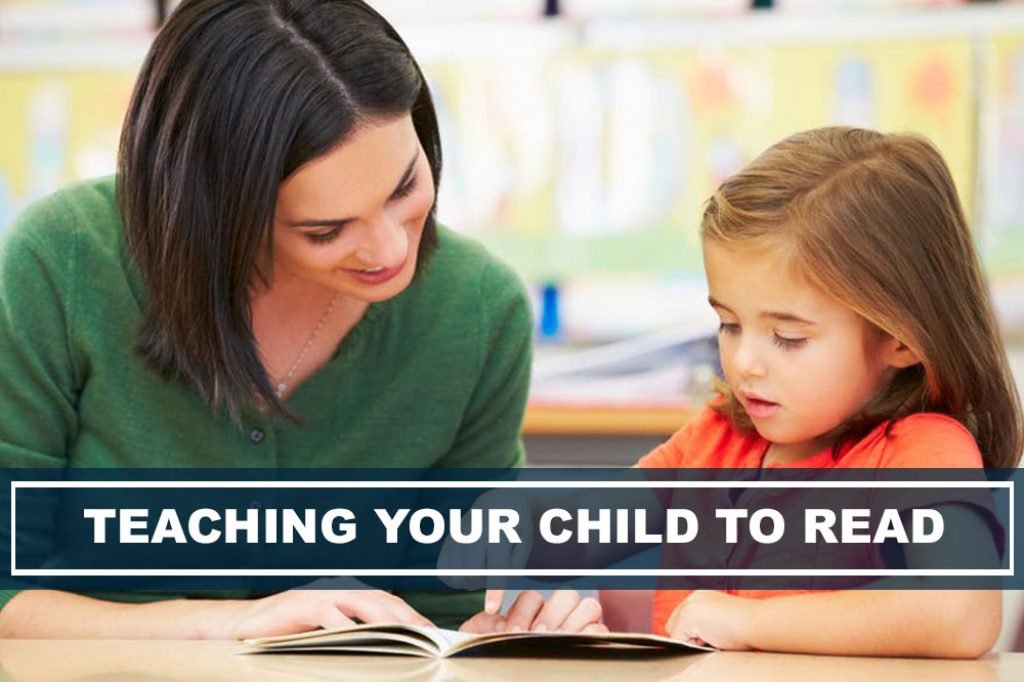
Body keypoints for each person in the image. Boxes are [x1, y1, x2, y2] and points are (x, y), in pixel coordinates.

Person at [0, 0, 601, 638]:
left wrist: (500, 639)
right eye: (325, 229)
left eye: (404, 188)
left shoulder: (477, 310)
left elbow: (437, 614)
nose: (391, 250)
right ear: (220, 214)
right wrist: (235, 624)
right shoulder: (61, 261)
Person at [635, 126, 1022, 657]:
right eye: (728, 324)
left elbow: (961, 611)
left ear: (899, 339)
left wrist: (747, 622)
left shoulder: (919, 452)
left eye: (787, 337)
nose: (744, 362)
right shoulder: (716, 437)